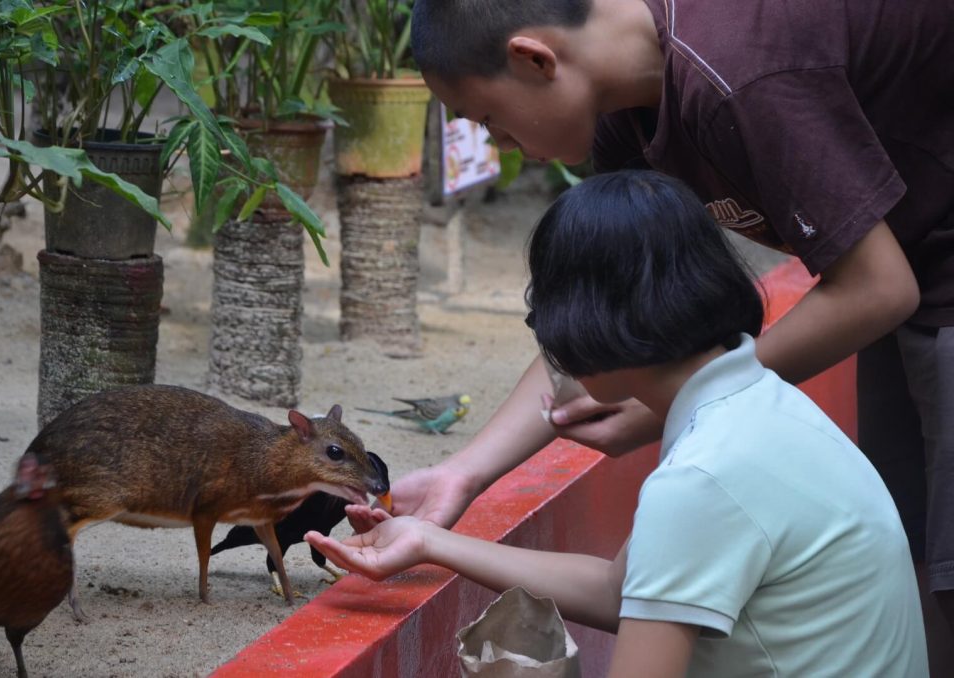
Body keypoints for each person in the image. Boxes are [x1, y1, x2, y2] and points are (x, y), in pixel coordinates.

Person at [377, 0, 954, 670]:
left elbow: (877, 288)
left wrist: (671, 397)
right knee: (920, 550)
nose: (504, 145)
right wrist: (460, 475)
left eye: (489, 120)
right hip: (910, 248)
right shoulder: (629, 107)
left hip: (916, 267)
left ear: (533, 58)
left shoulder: (738, 74)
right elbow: (597, 300)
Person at [308, 171, 927, 676]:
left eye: (543, 317)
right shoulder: (761, 408)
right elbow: (618, 590)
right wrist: (430, 542)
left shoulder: (704, 476)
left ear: (589, 326)